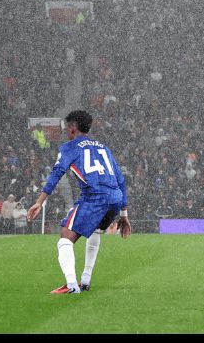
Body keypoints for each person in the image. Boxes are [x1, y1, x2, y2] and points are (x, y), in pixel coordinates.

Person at [25, 109, 131, 294]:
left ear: (73, 128)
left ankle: (72, 286)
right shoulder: (103, 147)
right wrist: (124, 214)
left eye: (68, 128)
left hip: (94, 197)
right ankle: (86, 279)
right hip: (115, 197)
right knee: (96, 230)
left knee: (65, 238)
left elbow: (57, 173)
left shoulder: (70, 147)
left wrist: (39, 201)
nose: (67, 132)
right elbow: (120, 179)